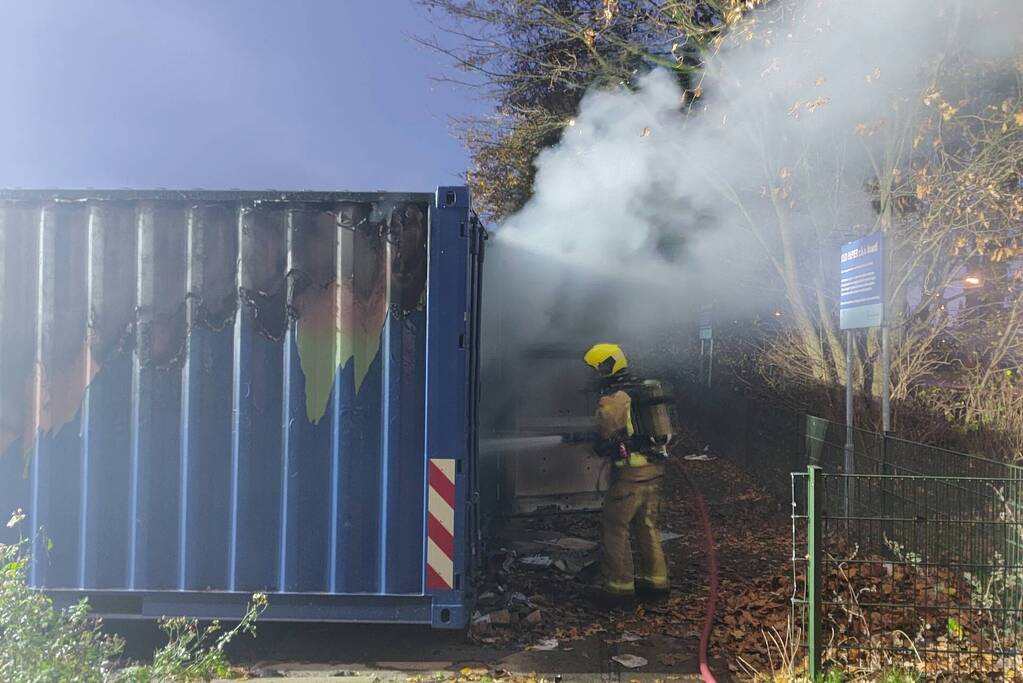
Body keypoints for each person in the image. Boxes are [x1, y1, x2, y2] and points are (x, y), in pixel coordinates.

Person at [583, 343, 670, 604]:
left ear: (608, 365)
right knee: (648, 526)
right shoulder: (640, 389)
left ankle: (619, 589)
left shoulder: (615, 398)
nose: (596, 373)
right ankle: (656, 584)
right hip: (653, 470)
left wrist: (595, 440)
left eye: (597, 367)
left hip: (630, 475)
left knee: (615, 528)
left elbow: (604, 430)